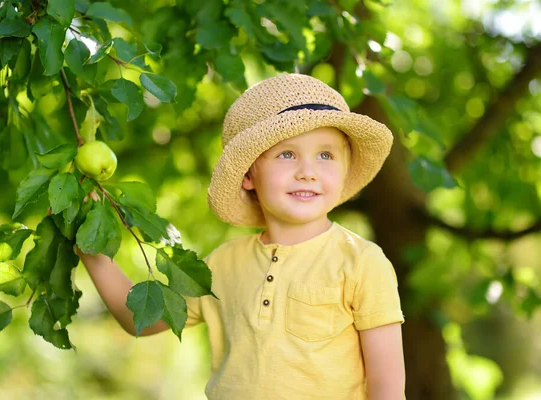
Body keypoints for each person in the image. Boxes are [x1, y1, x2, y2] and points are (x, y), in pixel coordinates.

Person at [79, 72, 406, 400]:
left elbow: (387, 388)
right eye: (287, 154)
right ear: (249, 174)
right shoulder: (223, 264)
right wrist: (92, 252)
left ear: (344, 170)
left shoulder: (361, 262)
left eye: (325, 155)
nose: (308, 171)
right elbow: (143, 319)